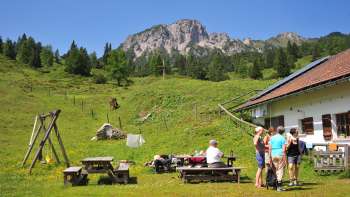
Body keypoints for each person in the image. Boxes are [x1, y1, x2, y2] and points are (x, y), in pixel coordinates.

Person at [269, 126, 286, 192]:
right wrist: (284, 158)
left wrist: (270, 156)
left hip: (273, 154)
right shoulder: (282, 138)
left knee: (275, 169)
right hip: (280, 154)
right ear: (283, 132)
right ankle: (279, 187)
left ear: (277, 130)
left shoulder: (272, 138)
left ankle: (275, 185)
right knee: (280, 169)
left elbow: (270, 148)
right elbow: (284, 149)